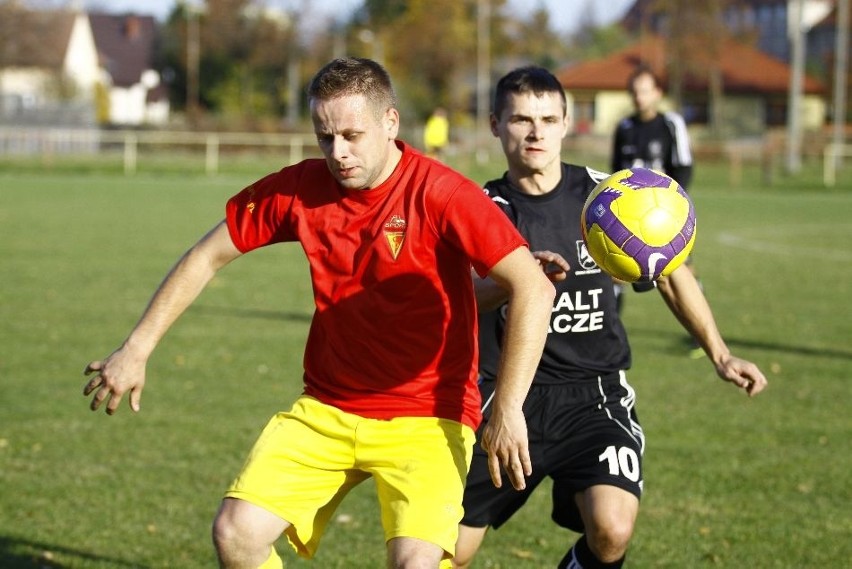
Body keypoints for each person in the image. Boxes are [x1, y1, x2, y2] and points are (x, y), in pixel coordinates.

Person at [82, 57, 556, 569]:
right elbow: (206, 255)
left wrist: (507, 409)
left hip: (428, 415)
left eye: (353, 135)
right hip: (328, 407)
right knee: (236, 535)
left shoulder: (441, 193)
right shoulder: (300, 188)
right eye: (325, 137)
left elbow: (532, 286)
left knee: (415, 564)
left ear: (390, 123)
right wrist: (137, 347)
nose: (339, 153)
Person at [452, 66, 768, 569]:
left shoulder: (610, 198)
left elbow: (669, 270)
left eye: (548, 118)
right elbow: (457, 296)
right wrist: (519, 281)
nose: (535, 132)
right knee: (451, 553)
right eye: (520, 120)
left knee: (612, 529)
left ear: (565, 123)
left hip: (593, 395)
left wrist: (721, 354)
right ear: (495, 124)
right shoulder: (477, 209)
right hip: (506, 397)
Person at [611, 64, 701, 345]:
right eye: (634, 92)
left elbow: (684, 166)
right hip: (629, 215)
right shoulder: (624, 128)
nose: (639, 98)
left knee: (680, 270)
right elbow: (615, 173)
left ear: (657, 93)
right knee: (617, 269)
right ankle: (610, 334)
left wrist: (671, 205)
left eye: (645, 91)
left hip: (665, 214)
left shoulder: (671, 124)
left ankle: (697, 335)